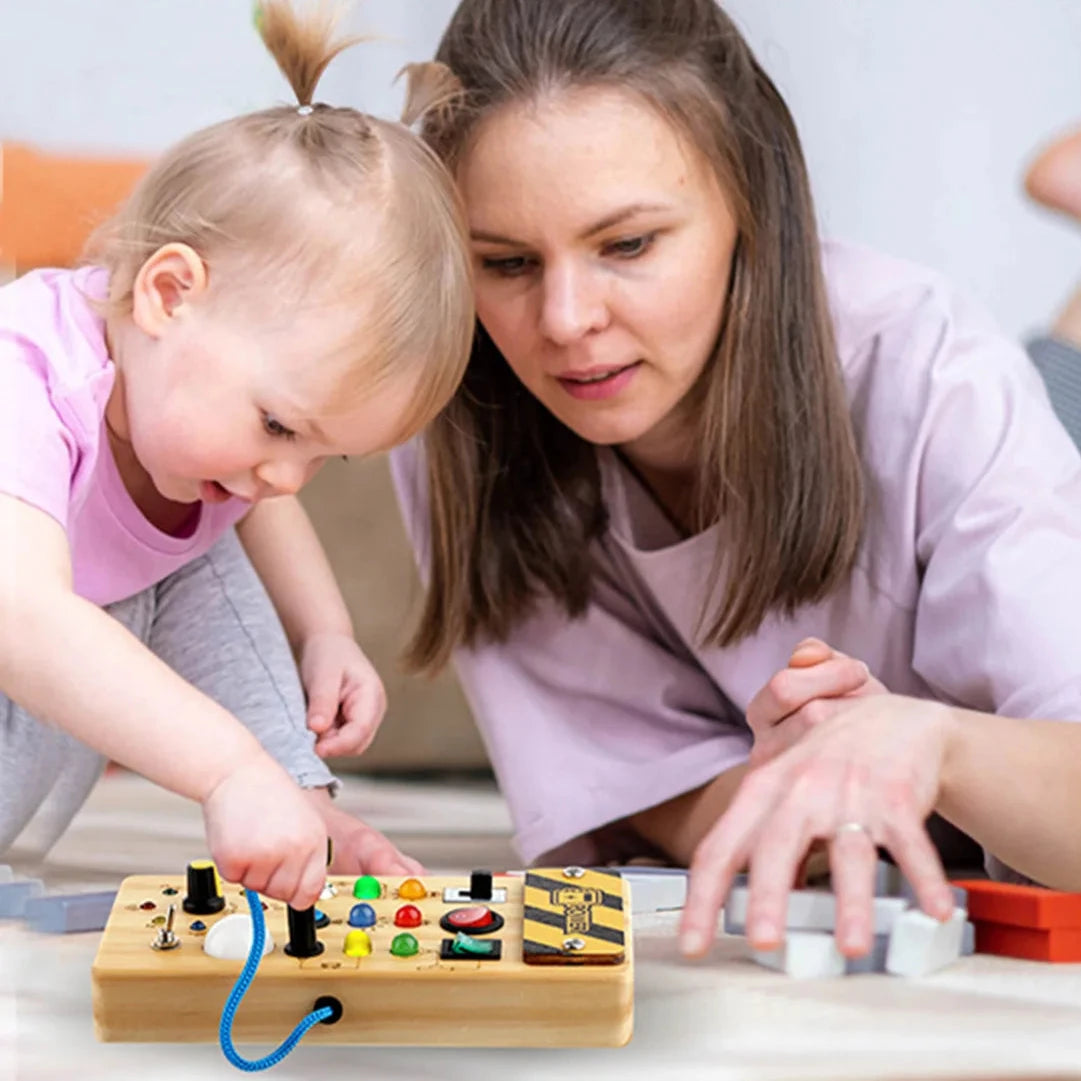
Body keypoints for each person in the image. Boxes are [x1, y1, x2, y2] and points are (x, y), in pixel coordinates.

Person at [388, 0, 1081, 959]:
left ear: (750, 203)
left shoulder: (927, 368)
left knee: (1059, 385)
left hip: (1003, 417)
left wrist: (933, 744)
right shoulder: (456, 421)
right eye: (505, 263)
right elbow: (645, 793)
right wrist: (815, 779)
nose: (564, 320)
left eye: (627, 245)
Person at [0, 0, 473, 911]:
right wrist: (226, 769)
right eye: (282, 427)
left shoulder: (204, 435)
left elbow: (256, 510)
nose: (288, 478)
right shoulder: (26, 377)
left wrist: (323, 631)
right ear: (170, 294)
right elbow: (20, 617)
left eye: (326, 457)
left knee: (200, 543)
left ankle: (304, 813)